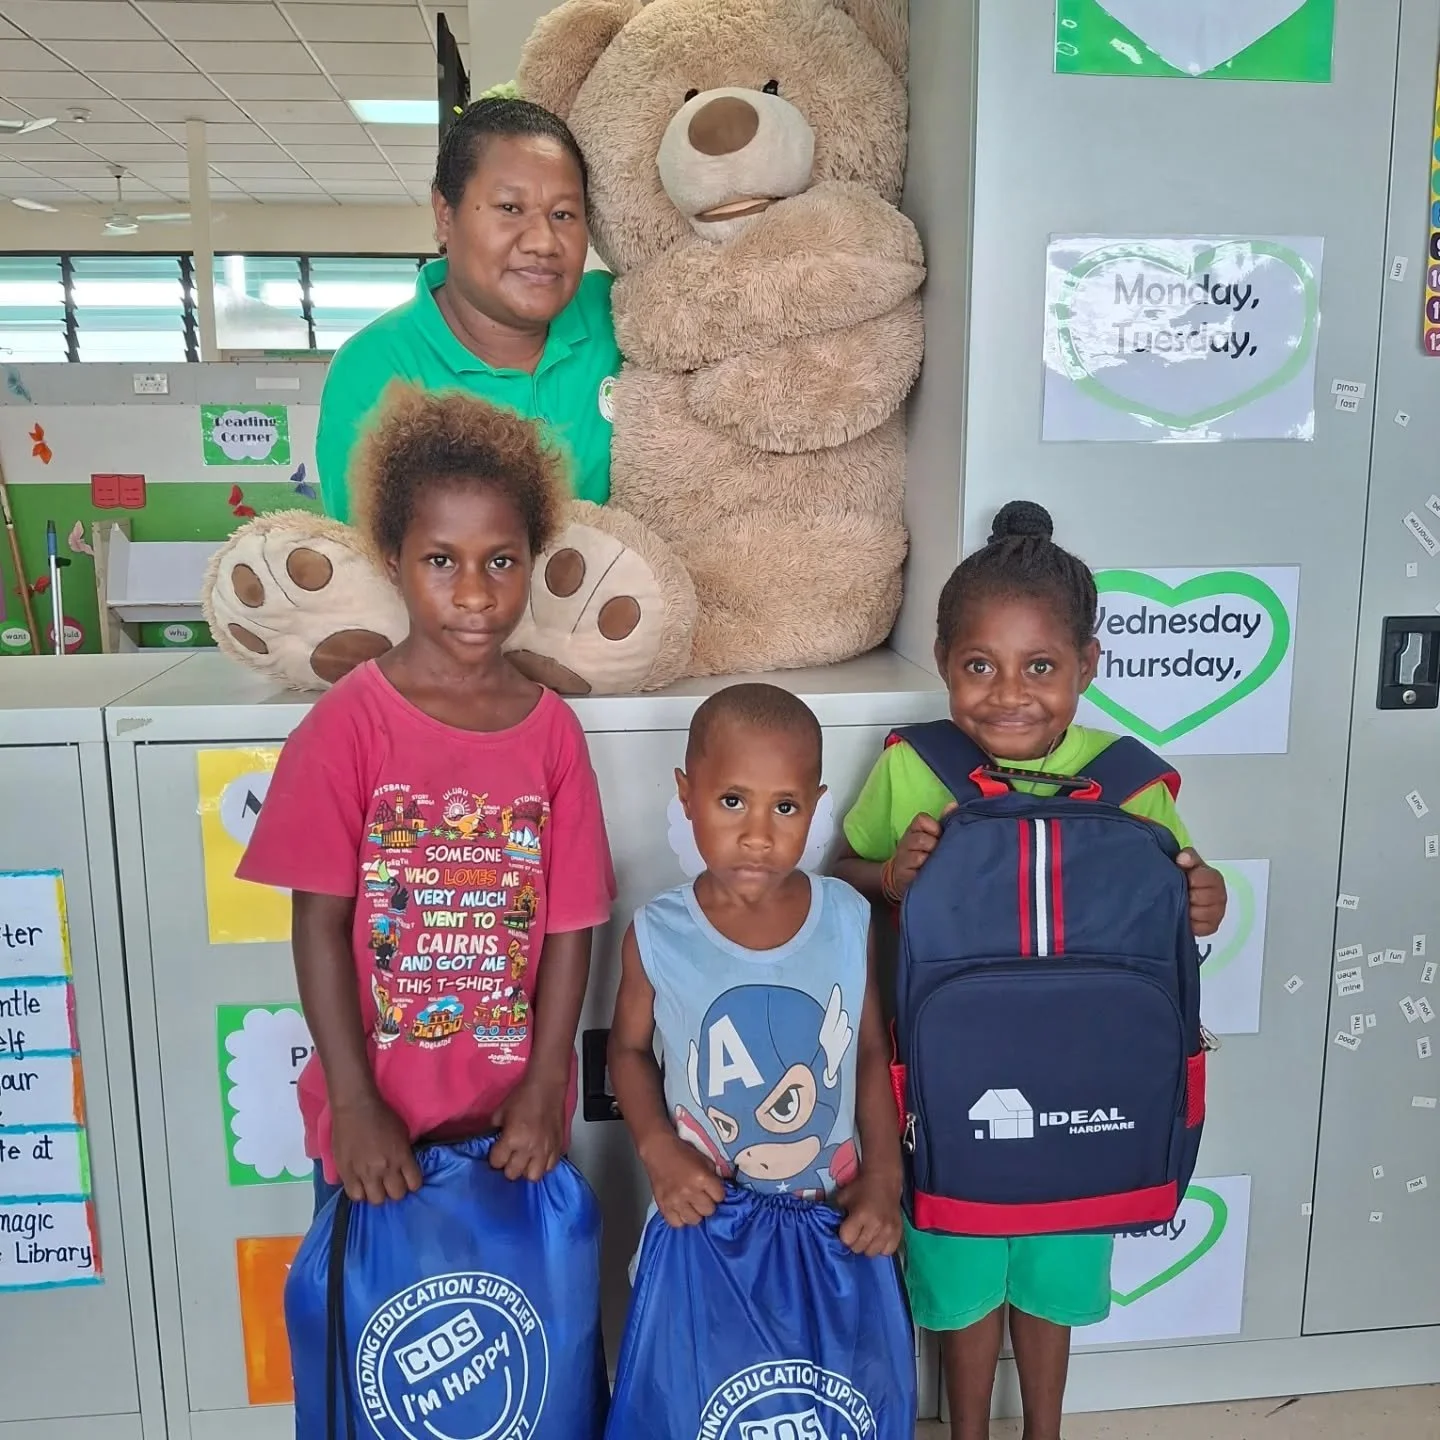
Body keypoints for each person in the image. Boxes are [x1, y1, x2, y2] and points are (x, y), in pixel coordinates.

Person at [833, 501, 1228, 1440]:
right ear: (942, 662)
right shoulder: (913, 768)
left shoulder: (1135, 784)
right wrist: (887, 876)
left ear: (1088, 665)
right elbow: (840, 883)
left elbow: (1185, 904)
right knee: (963, 1283)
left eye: (1040, 667)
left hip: (1089, 1097)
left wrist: (1208, 895)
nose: (1008, 694)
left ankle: (1041, 1431)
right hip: (947, 1091)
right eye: (980, 667)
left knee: (1053, 1286)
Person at [239, 384, 615, 1210]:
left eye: (501, 561)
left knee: (507, 1333)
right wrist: (352, 1102)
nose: (475, 593)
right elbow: (319, 926)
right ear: (394, 559)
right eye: (441, 560)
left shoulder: (553, 733)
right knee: (375, 1333)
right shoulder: (346, 727)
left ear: (531, 560)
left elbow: (570, 929)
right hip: (375, 1124)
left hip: (512, 1125)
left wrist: (547, 1083)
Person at [608, 683, 903, 1255]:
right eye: (733, 801)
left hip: (831, 1225)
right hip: (704, 1222)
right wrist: (658, 1150)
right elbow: (627, 1050)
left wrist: (885, 1180)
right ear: (687, 795)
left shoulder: (847, 916)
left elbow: (868, 1052)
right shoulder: (657, 932)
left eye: (785, 807)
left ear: (814, 806)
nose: (758, 836)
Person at [317, 97, 620, 523]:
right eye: (510, 209)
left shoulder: (620, 317)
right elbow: (372, 567)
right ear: (445, 215)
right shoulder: (375, 370)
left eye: (564, 214)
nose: (544, 242)